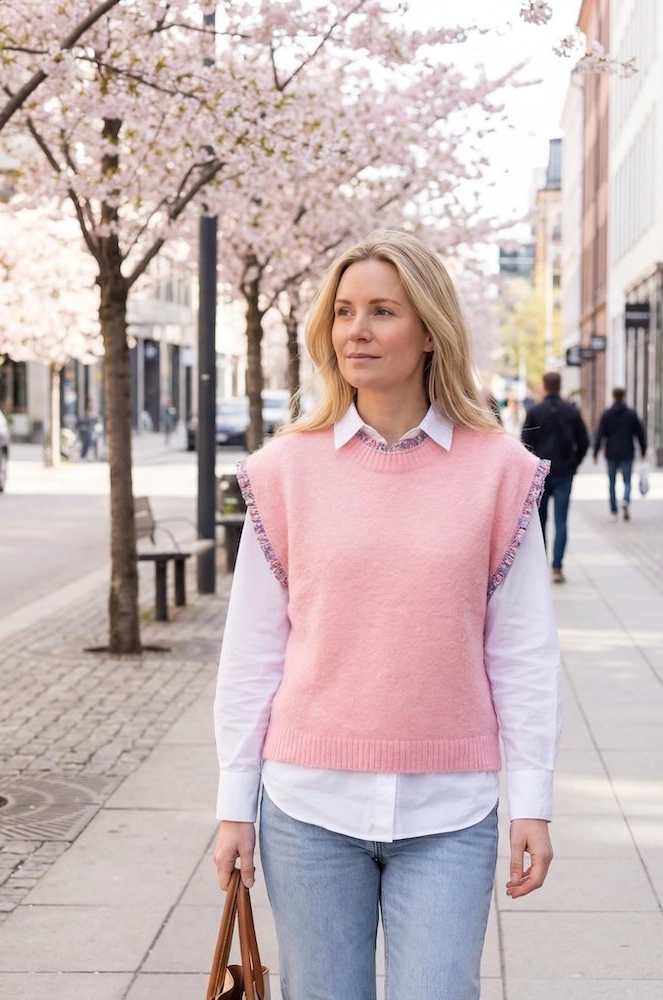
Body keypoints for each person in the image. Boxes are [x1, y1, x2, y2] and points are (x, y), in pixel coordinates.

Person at [212, 231, 563, 1000]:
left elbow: (523, 652)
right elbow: (252, 654)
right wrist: (233, 805)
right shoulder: (283, 473)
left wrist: (531, 802)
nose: (356, 331)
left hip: (451, 808)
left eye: (381, 311)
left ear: (430, 331)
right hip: (307, 805)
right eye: (343, 312)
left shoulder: (502, 473)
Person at [522, 371, 589, 583]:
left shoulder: (535, 411)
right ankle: (557, 567)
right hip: (564, 472)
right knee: (561, 520)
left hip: (541, 473)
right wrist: (574, 463)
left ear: (544, 385)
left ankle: (540, 565)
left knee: (539, 521)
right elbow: (584, 441)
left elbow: (525, 442)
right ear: (559, 386)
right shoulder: (571, 411)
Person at [592, 387, 646, 521]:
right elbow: (640, 433)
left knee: (612, 483)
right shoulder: (631, 414)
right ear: (624, 396)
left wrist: (595, 452)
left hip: (611, 452)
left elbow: (600, 435)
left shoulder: (606, 414)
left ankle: (613, 511)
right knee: (627, 481)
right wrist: (643, 451)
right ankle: (626, 500)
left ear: (613, 396)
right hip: (627, 451)